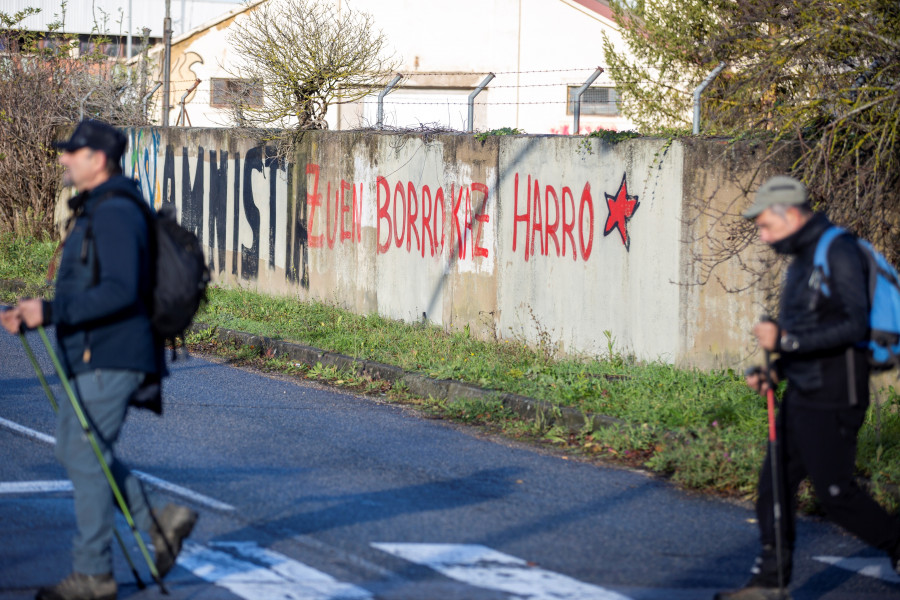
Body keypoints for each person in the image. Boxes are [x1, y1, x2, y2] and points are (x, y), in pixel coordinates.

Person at [0, 120, 197, 600]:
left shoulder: (115, 213)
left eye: (74, 151)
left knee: (84, 453)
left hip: (113, 352)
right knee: (76, 449)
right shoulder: (98, 208)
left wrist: (46, 311)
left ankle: (93, 574)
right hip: (96, 350)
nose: (65, 158)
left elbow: (119, 291)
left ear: (99, 159)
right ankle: (158, 521)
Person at [715, 175, 900, 600]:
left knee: (836, 495)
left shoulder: (838, 250)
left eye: (765, 226)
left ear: (791, 214)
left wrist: (784, 341)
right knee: (773, 485)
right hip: (803, 391)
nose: (762, 237)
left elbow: (853, 324)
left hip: (836, 394)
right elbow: (809, 328)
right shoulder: (802, 257)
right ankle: (769, 584)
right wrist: (775, 370)